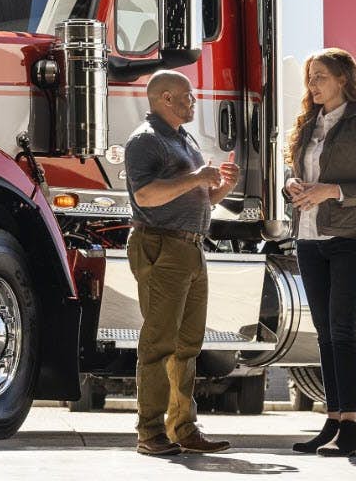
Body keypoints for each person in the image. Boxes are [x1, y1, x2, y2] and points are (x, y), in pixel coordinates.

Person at [123, 70, 240, 456]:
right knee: (159, 343)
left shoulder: (182, 138)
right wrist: (195, 178)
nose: (194, 102)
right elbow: (146, 197)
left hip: (190, 247)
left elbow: (201, 199)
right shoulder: (146, 141)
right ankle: (150, 433)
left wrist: (222, 186)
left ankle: (183, 428)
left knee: (187, 345)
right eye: (187, 96)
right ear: (166, 99)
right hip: (161, 246)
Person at [284, 48, 356, 458]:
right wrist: (291, 187)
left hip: (351, 240)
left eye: (320, 76)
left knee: (343, 332)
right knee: (325, 334)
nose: (312, 84)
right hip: (309, 240)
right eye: (310, 77)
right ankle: (333, 418)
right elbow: (299, 176)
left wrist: (332, 191)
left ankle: (351, 428)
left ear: (343, 79)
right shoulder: (308, 124)